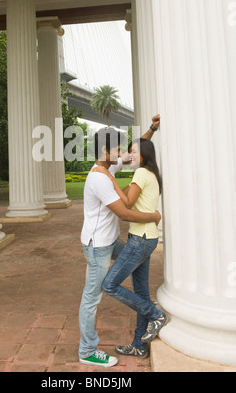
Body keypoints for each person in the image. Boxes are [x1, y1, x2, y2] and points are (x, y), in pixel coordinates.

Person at [78, 120, 161, 368]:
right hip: (98, 247)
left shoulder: (108, 168)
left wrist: (152, 130)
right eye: (116, 149)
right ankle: (87, 349)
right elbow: (124, 213)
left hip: (111, 241)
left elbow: (136, 153)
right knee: (92, 296)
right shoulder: (99, 179)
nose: (121, 153)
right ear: (105, 151)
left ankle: (142, 325)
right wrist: (154, 217)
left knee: (138, 268)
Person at [94, 137, 167, 360]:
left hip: (140, 239)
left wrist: (109, 177)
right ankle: (138, 345)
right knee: (142, 293)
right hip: (148, 238)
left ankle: (155, 315)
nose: (130, 155)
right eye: (129, 152)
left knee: (110, 284)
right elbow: (129, 196)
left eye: (134, 152)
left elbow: (125, 204)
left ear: (145, 154)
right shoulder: (152, 174)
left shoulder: (141, 173)